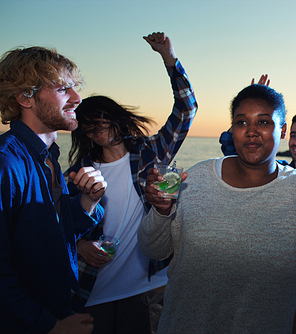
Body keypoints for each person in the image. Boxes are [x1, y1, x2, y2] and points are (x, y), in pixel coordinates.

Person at [137, 83, 296, 333]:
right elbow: (153, 249)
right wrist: (161, 211)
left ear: (283, 130)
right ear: (232, 129)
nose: (252, 132)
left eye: (264, 122)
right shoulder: (197, 178)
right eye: (242, 122)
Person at [66, 32, 198, 334]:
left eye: (100, 121)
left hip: (148, 284)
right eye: (88, 127)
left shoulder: (151, 152)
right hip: (92, 289)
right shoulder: (79, 173)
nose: (96, 131)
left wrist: (169, 57)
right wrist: (80, 244)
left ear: (114, 118)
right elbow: (57, 227)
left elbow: (187, 109)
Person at [0, 47, 106, 333]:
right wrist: (49, 326)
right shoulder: (2, 163)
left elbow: (53, 237)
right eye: (64, 89)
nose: (77, 98)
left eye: (75, 88)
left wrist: (88, 202)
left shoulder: (49, 158)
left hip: (61, 309)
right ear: (24, 97)